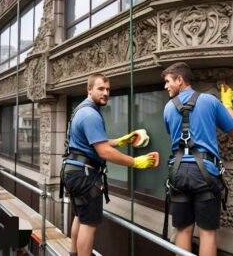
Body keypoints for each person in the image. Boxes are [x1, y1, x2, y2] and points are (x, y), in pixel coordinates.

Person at [61, 73, 159, 256]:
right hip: (85, 175)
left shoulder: (80, 110)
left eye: (108, 89)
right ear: (89, 89)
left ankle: (73, 253)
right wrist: (136, 161)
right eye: (100, 89)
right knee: (88, 224)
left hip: (73, 171)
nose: (105, 93)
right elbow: (103, 152)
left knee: (79, 217)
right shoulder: (91, 115)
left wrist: (121, 141)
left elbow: (93, 142)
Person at [161, 62, 233, 256]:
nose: (165, 86)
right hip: (205, 172)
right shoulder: (210, 101)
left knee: (183, 230)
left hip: (178, 173)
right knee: (207, 233)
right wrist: (228, 103)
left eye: (168, 81)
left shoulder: (168, 108)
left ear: (180, 80)